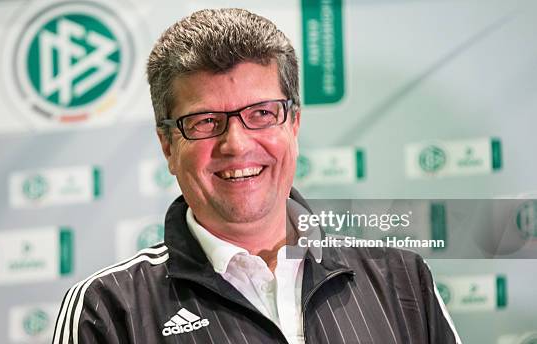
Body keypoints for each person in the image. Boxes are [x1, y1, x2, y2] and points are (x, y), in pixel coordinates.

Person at [52, 8, 461, 344]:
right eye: (205, 120)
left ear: (294, 124)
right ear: (167, 145)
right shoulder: (109, 310)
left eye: (261, 114)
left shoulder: (403, 281)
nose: (237, 144)